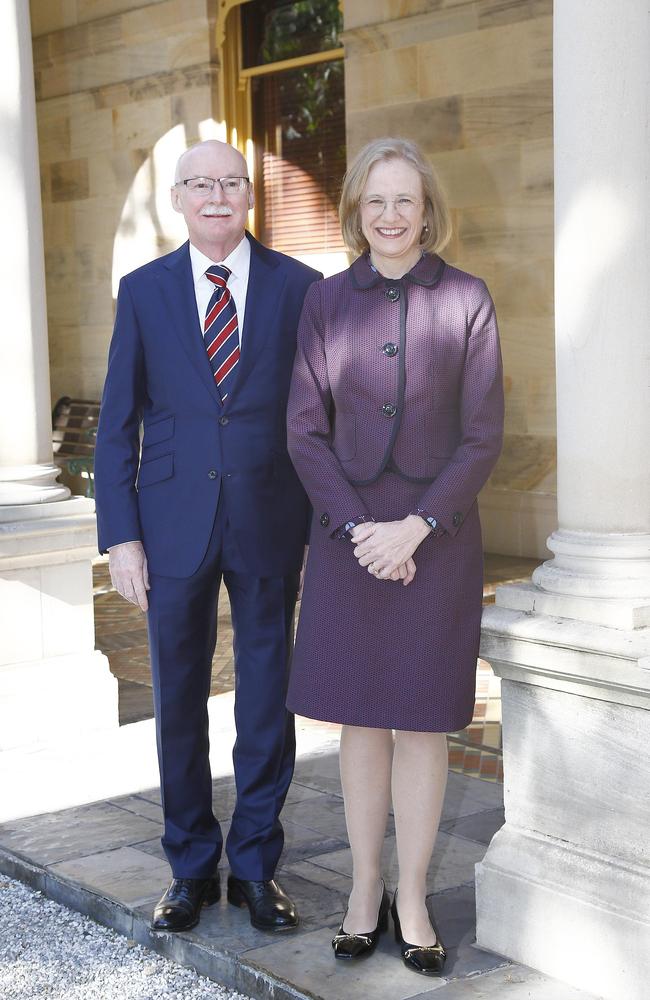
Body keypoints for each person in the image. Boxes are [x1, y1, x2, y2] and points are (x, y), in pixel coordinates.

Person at [286, 137, 504, 975]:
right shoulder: (325, 303)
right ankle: (362, 886)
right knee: (361, 719)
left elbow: (483, 434)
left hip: (435, 541)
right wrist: (355, 531)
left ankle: (411, 895)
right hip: (347, 539)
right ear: (354, 210)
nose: (389, 215)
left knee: (421, 723)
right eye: (374, 201)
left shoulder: (468, 299)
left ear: (427, 209)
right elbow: (304, 431)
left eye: (404, 200)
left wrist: (415, 527)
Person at [94, 140, 321, 934]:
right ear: (177, 200)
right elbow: (117, 425)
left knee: (267, 700)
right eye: (200, 184)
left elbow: (317, 416)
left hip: (270, 519)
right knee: (178, 703)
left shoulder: (301, 287)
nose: (216, 196)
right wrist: (120, 536)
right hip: (169, 529)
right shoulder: (144, 291)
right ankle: (190, 868)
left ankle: (257, 867)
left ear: (249, 196)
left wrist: (325, 522)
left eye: (230, 183)